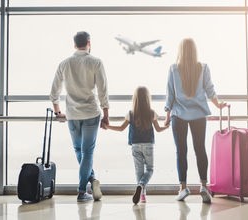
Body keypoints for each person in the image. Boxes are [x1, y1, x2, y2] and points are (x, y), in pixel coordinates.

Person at [164, 38, 226, 203]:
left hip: (179, 115)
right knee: (200, 149)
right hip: (198, 115)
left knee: (181, 151)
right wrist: (218, 105)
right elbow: (210, 90)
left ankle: (183, 188)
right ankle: (203, 186)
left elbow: (170, 95)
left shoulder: (173, 69)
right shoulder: (203, 68)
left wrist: (167, 114)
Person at [50, 31, 109, 202]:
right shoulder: (96, 62)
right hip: (91, 113)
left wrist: (57, 112)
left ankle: (90, 182)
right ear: (89, 43)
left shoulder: (64, 64)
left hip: (73, 115)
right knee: (87, 152)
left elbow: (54, 92)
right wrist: (106, 115)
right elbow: (103, 91)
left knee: (79, 151)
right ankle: (83, 189)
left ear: (74, 44)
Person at [105, 86, 169, 204]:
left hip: (135, 145)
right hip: (148, 145)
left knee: (139, 171)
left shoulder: (131, 113)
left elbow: (121, 128)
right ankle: (141, 186)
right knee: (149, 169)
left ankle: (142, 195)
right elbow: (159, 129)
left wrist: (107, 126)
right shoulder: (152, 113)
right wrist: (168, 125)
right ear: (147, 99)